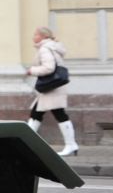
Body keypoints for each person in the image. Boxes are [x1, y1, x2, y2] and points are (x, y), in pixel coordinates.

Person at [25, 26, 77, 158]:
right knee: (36, 114)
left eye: (35, 34)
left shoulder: (45, 48)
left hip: (51, 89)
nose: (33, 37)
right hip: (52, 88)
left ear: (43, 36)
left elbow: (49, 68)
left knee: (57, 114)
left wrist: (32, 71)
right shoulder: (53, 46)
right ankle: (26, 144)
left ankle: (71, 145)